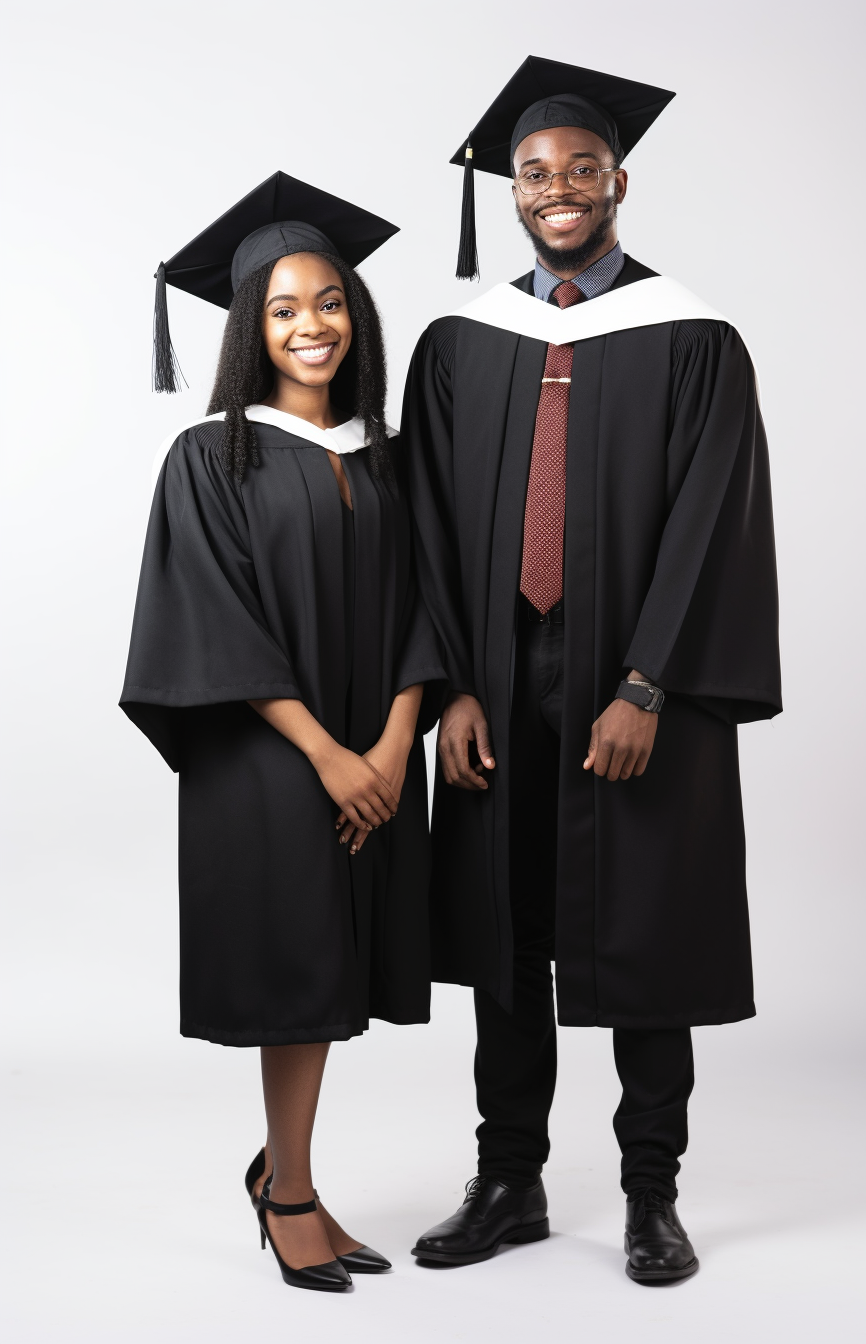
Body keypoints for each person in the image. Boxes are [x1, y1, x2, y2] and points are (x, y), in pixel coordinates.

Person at [402, 57, 781, 1283]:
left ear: (618, 180)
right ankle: (508, 1177)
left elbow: (712, 524)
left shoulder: (693, 339)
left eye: (578, 169)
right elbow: (423, 524)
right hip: (493, 673)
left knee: (641, 931)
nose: (556, 189)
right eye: (532, 173)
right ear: (506, 192)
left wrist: (648, 686)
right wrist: (450, 683)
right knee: (505, 923)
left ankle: (647, 1192)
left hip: (634, 680)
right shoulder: (460, 343)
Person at [122, 172, 444, 1292]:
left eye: (330, 302)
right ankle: (290, 1192)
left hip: (373, 756)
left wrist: (396, 746)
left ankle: (286, 1172)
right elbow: (211, 619)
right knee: (298, 966)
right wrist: (326, 753)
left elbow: (425, 608)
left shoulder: (386, 456)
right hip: (270, 760)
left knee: (335, 967)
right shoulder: (211, 459)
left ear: (356, 313)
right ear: (249, 328)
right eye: (283, 308)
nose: (312, 325)